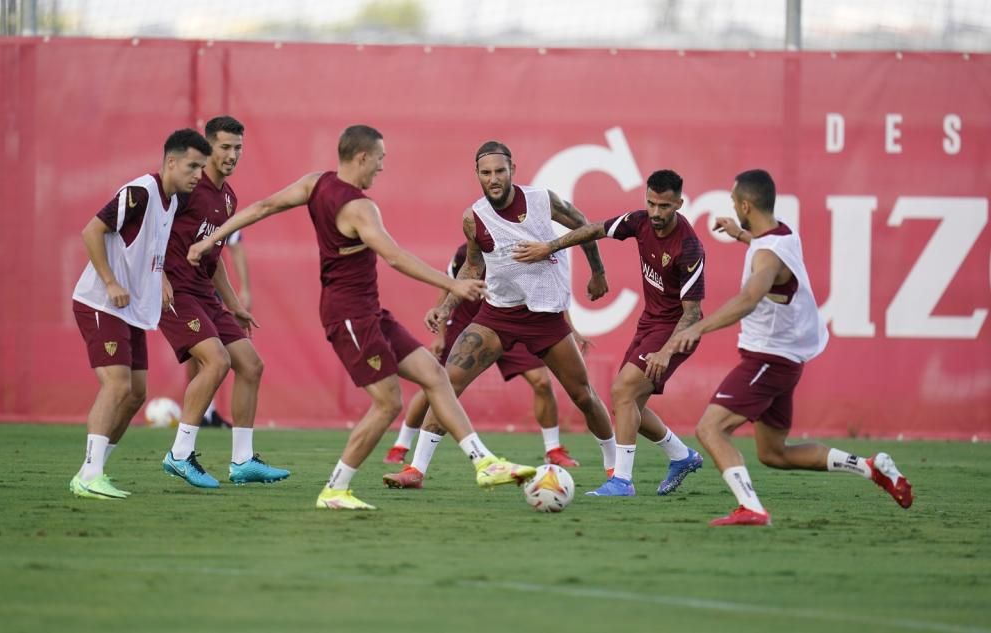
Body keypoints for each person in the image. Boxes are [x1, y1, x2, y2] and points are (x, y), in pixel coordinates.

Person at [187, 125, 536, 510]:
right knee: (387, 403)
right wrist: (453, 286)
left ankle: (483, 463)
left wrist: (210, 239)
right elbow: (395, 256)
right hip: (349, 315)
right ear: (362, 158)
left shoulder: (315, 183)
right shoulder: (360, 208)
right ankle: (336, 488)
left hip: (369, 312)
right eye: (381, 160)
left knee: (434, 375)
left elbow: (264, 206)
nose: (382, 169)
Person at [657, 169, 913, 526]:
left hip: (768, 358)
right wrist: (741, 235)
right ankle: (871, 468)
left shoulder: (767, 256)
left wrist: (698, 328)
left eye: (734, 201)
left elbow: (748, 298)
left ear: (746, 204)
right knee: (773, 453)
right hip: (785, 359)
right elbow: (768, 252)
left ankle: (752, 509)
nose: (732, 205)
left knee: (710, 429)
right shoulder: (783, 233)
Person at [383, 141, 617, 488]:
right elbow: (473, 266)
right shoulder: (473, 217)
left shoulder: (541, 200)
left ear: (512, 171)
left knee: (583, 394)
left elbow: (583, 223)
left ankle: (616, 469)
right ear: (477, 174)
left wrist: (597, 272)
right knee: (446, 383)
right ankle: (415, 470)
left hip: (544, 317)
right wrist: (445, 307)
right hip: (498, 315)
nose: (493, 178)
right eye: (486, 172)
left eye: (499, 171)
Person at [514, 169, 706, 497]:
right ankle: (681, 455)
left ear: (679, 204)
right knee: (627, 404)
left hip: (675, 331)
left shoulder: (688, 248)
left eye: (664, 207)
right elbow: (592, 230)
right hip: (649, 323)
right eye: (651, 204)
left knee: (622, 393)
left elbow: (693, 314)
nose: (656, 213)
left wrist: (666, 351)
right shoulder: (640, 221)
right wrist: (550, 247)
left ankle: (622, 481)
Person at [70, 128, 212, 499]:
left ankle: (91, 470)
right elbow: (91, 231)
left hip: (131, 309)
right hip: (102, 303)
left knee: (135, 394)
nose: (198, 174)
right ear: (171, 162)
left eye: (201, 167)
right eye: (193, 166)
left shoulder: (172, 202)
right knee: (117, 386)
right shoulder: (140, 192)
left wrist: (160, 275)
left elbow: (147, 246)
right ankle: (90, 475)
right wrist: (111, 281)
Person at [381, 243, 584, 488]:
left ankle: (553, 449)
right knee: (436, 385)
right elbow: (447, 285)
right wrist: (440, 334)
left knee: (541, 382)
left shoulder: (527, 245)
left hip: (514, 320)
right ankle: (403, 449)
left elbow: (552, 290)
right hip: (472, 325)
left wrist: (572, 329)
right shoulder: (469, 250)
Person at [159, 116, 289, 489]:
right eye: (225, 147)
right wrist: (159, 276)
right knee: (216, 362)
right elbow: (150, 232)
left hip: (204, 294)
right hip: (175, 293)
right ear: (208, 148)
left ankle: (243, 461)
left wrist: (233, 303)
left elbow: (214, 260)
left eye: (238, 148)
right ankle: (179, 454)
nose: (232, 155)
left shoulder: (228, 198)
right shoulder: (185, 189)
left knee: (251, 364)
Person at [192, 229, 252, 429]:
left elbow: (233, 246)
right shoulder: (178, 203)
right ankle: (201, 414)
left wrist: (243, 291)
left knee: (249, 364)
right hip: (181, 290)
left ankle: (207, 411)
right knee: (207, 356)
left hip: (207, 291)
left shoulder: (223, 204)